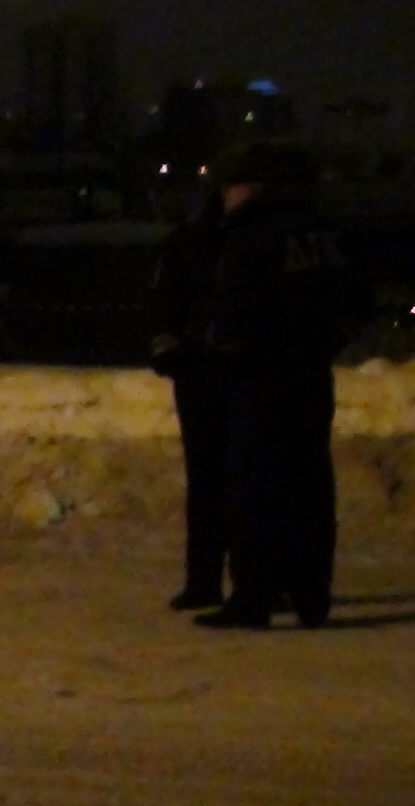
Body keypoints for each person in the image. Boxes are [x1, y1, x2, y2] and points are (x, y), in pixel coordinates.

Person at [193, 142, 368, 630]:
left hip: (260, 378)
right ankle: (312, 593)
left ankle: (254, 595)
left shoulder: (251, 234)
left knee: (254, 487)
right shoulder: (325, 232)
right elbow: (355, 300)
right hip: (310, 375)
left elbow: (232, 310)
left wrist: (225, 353)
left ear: (249, 188)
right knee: (310, 486)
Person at [148, 185, 230, 610]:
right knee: (249, 478)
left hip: (199, 373)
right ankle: (262, 580)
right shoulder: (241, 241)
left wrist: (171, 354)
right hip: (229, 371)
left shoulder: (186, 242)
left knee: (207, 481)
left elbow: (165, 308)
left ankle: (205, 580)